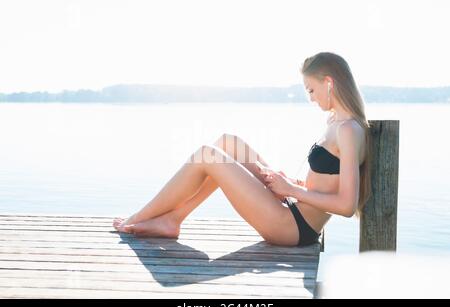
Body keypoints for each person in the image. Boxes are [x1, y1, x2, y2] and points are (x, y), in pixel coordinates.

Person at [113, 52, 372, 247]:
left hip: (292, 227)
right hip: (293, 204)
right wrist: (293, 184)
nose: (311, 98)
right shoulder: (335, 122)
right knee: (228, 143)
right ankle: (173, 218)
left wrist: (291, 190)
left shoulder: (348, 130)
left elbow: (346, 205)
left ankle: (137, 219)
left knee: (208, 155)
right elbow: (327, 181)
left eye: (312, 90)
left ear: (328, 82)